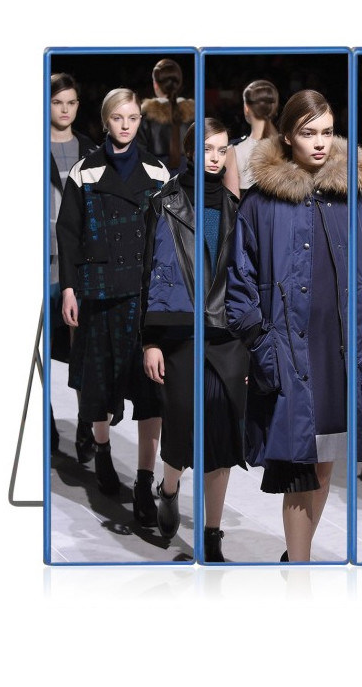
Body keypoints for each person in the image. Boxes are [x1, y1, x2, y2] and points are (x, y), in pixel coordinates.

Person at [226, 89, 362, 562]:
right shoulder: (261, 203)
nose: (320, 143)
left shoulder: (353, 198)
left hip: (343, 348)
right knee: (299, 464)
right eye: (308, 133)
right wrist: (263, 345)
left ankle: (294, 558)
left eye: (327, 132)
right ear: (287, 135)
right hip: (291, 349)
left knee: (324, 461)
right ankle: (299, 567)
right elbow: (238, 284)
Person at [56, 87, 169, 526]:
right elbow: (69, 233)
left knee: (150, 394)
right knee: (99, 384)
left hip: (143, 296)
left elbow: (167, 237)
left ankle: (143, 480)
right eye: (118, 118)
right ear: (106, 121)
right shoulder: (85, 171)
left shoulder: (157, 171)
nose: (126, 125)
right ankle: (102, 450)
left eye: (133, 118)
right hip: (99, 292)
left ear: (140, 120)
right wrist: (69, 288)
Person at [142, 119, 248, 562]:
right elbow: (149, 271)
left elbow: (245, 273)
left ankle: (211, 535)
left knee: (221, 439)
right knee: (182, 428)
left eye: (222, 150)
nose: (215, 158)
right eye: (207, 149)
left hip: (225, 334)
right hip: (179, 332)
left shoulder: (236, 206)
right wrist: (150, 340)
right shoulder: (164, 202)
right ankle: (168, 488)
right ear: (189, 150)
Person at [49, 72, 96, 457]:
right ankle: (45, 423)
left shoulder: (89, 149)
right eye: (56, 102)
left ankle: (85, 425)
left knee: (80, 349)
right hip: (39, 260)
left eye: (71, 102)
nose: (64, 110)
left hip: (77, 263)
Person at [137, 58, 195, 175]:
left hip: (154, 176)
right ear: (179, 84)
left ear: (155, 84)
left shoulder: (146, 115)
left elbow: (138, 154)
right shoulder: (195, 115)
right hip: (189, 176)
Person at [224, 79, 280, 195]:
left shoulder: (234, 151)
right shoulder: (288, 146)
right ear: (274, 108)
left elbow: (233, 200)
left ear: (246, 108)